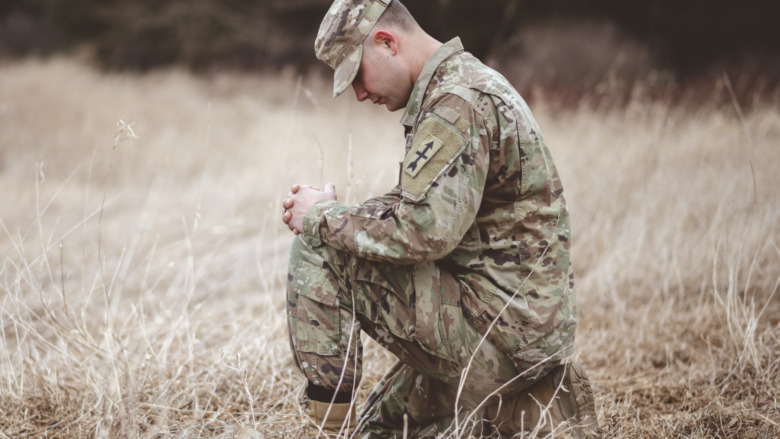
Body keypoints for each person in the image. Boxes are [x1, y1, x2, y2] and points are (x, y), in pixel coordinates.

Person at [281, 0, 601, 437]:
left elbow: (423, 232)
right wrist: (339, 212)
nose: (359, 94)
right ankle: (529, 410)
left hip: (497, 335)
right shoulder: (456, 86)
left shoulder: (458, 101)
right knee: (383, 430)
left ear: (387, 42)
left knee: (317, 250)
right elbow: (419, 206)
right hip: (514, 332)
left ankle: (324, 433)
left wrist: (322, 219)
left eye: (357, 75)